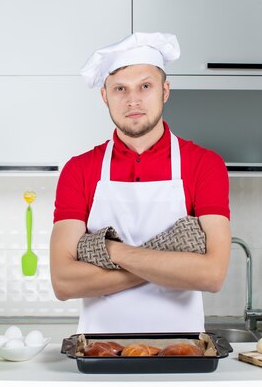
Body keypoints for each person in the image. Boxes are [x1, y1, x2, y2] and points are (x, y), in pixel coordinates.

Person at [50, 32, 231, 333]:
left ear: (165, 90)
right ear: (105, 96)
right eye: (120, 88)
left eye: (145, 86)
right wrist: (175, 266)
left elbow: (211, 275)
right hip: (100, 354)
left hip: (181, 351)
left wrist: (113, 252)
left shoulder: (204, 165)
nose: (132, 100)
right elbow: (63, 282)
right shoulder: (79, 170)